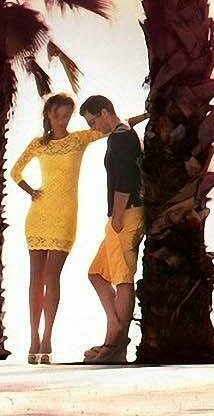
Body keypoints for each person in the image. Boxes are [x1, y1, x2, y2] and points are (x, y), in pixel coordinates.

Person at [8, 94, 144, 364]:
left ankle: (49, 339)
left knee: (52, 277)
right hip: (39, 215)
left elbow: (117, 125)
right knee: (36, 279)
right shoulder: (38, 145)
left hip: (66, 216)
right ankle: (34, 339)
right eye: (58, 115)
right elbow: (15, 172)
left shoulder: (79, 139)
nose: (63, 120)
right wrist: (32, 191)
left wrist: (146, 115)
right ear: (48, 115)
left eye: (67, 115)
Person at [80, 95, 145, 364]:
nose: (93, 127)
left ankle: (115, 346)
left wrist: (117, 215)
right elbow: (128, 121)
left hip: (125, 214)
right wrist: (145, 115)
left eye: (94, 121)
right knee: (97, 273)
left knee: (123, 279)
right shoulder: (122, 132)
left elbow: (125, 180)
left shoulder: (120, 139)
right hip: (121, 214)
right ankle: (115, 333)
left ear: (105, 112)